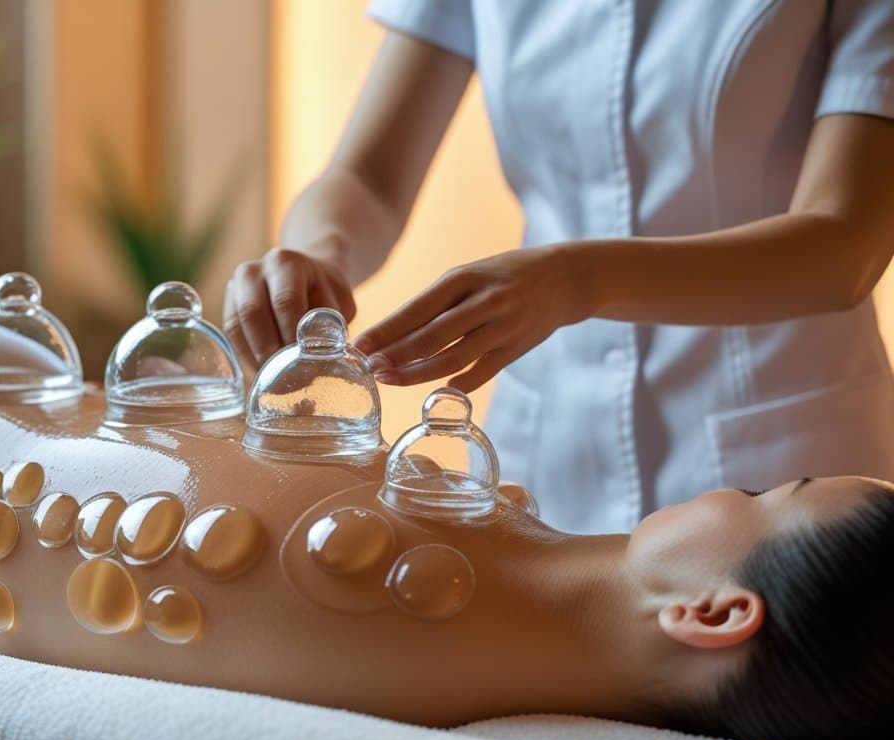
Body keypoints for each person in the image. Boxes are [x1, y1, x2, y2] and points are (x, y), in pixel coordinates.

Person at [0, 382, 894, 740]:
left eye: (760, 499)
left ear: (711, 611)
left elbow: (2, 504)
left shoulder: (414, 610)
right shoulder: (485, 557)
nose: (735, 481)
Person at [224, 1, 894, 534]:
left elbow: (845, 245)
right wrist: (317, 256)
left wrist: (578, 281)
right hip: (550, 447)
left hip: (783, 461)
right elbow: (366, 177)